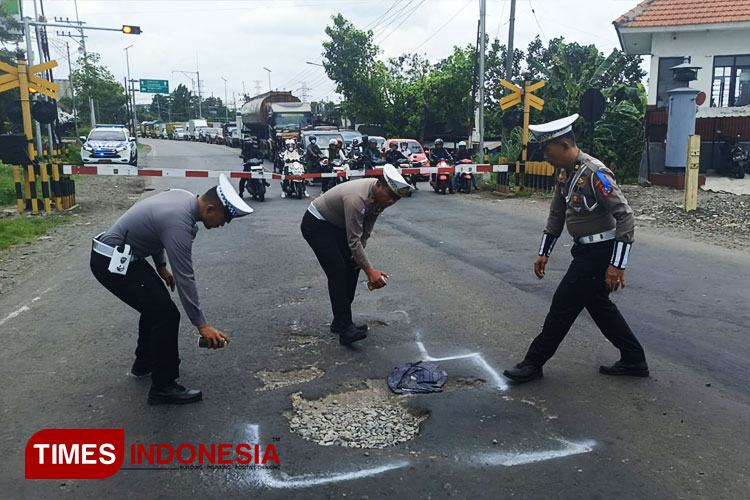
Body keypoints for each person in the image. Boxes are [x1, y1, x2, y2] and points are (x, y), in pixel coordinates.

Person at [502, 114, 648, 384]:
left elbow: (625, 216)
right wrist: (544, 252)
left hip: (599, 252)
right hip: (584, 251)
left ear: (565, 146)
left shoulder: (594, 173)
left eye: (548, 150)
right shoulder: (564, 174)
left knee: (562, 306)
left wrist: (617, 265)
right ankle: (634, 358)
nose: (545, 156)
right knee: (599, 305)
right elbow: (556, 214)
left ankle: (533, 363)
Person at [90, 174, 253, 404]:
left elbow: (154, 231)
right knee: (165, 314)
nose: (222, 225)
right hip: (111, 263)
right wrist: (202, 324)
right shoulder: (179, 223)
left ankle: (144, 363)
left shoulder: (183, 198)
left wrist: (161, 266)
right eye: (223, 219)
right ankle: (163, 386)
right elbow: (186, 278)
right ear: (208, 209)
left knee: (156, 305)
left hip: (124, 258)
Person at [301, 164, 413, 345]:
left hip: (337, 227)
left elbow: (365, 232)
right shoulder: (357, 198)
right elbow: (354, 240)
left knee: (353, 266)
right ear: (379, 186)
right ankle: (346, 328)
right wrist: (370, 271)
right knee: (337, 270)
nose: (391, 201)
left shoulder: (378, 200)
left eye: (396, 199)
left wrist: (360, 261)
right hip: (317, 225)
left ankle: (340, 321)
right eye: (390, 196)